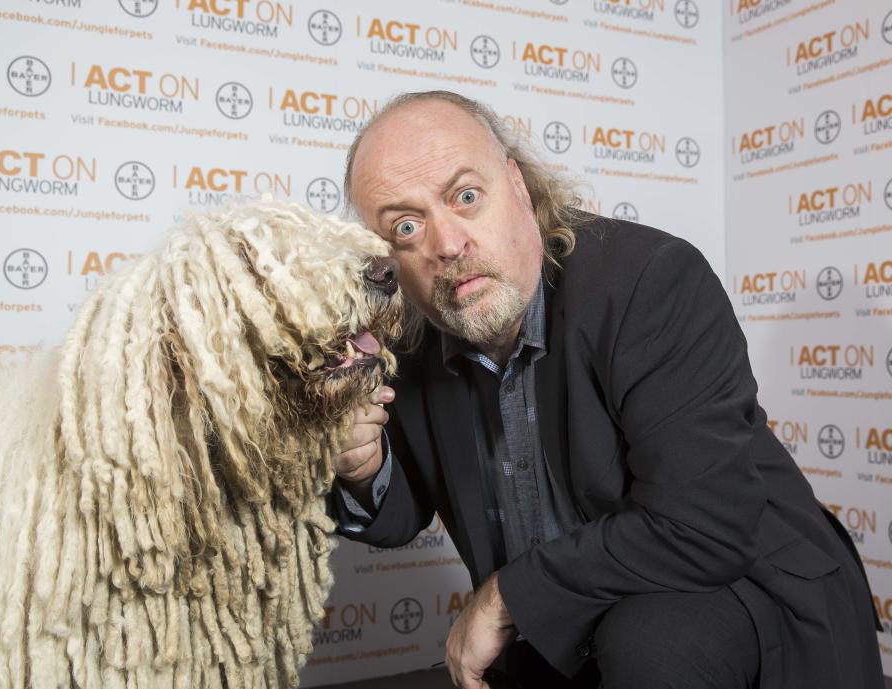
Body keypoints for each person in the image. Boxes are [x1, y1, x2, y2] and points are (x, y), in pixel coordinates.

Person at [326, 90, 884, 689]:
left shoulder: (652, 282)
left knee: (648, 642)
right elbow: (399, 514)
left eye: (465, 197)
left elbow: (704, 527)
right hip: (570, 619)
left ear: (517, 186)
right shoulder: (412, 335)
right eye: (405, 226)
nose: (447, 245)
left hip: (743, 589)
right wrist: (365, 467)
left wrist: (504, 597)